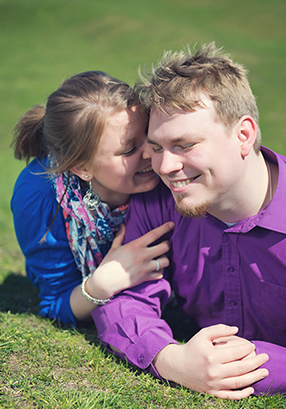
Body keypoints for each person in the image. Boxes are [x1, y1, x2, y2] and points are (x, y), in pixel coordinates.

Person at [91, 43, 286, 400]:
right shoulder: (161, 197)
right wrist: (171, 359)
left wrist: (249, 368)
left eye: (185, 144)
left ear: (244, 135)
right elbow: (124, 300)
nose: (165, 167)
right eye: (157, 147)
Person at [11, 71, 174, 325]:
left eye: (150, 136)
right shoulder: (38, 196)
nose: (151, 153)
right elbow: (56, 303)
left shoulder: (169, 165)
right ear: (81, 168)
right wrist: (101, 283)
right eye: (129, 149)